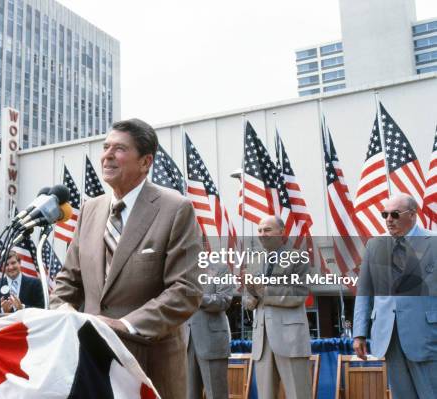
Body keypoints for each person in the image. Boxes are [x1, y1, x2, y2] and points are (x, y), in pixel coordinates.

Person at [50, 118, 203, 399]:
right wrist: (64, 316)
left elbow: (186, 291)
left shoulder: (176, 209)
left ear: (145, 162)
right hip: (90, 364)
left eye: (119, 149)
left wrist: (124, 325)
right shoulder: (89, 210)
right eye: (106, 146)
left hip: (149, 367)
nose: (107, 154)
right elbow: (67, 282)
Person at [353, 193, 437, 399]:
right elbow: (364, 292)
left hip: (426, 335)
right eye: (385, 214)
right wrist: (359, 334)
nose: (389, 219)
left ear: (413, 215)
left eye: (395, 214)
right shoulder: (374, 246)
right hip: (388, 336)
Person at [244, 216, 312, 399]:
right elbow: (248, 302)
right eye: (259, 230)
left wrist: (262, 290)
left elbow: (299, 293)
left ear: (281, 232)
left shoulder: (298, 257)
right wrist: (250, 293)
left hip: (291, 339)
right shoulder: (254, 261)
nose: (262, 234)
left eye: (267, 230)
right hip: (262, 342)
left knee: (299, 395)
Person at [186, 260, 234, 399]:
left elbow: (224, 300)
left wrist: (197, 298)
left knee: (216, 395)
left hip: (212, 342)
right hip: (185, 342)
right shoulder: (181, 270)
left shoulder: (221, 268)